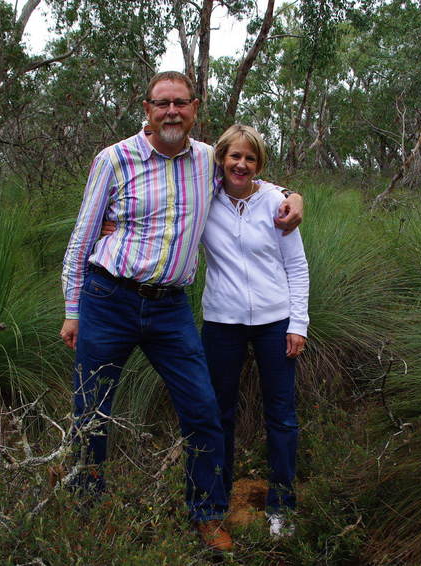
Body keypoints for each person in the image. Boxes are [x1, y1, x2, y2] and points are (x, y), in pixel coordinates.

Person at [59, 71, 303, 552]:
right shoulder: (113, 159)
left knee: (204, 410)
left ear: (195, 108)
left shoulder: (205, 160)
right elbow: (82, 238)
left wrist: (295, 197)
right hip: (109, 299)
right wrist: (73, 310)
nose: (172, 112)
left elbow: (248, 174)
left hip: (170, 309)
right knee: (91, 411)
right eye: (162, 103)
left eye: (181, 103)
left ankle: (209, 515)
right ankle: (85, 508)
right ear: (146, 108)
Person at [200, 125, 308, 538]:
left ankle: (282, 505)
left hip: (274, 323)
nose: (240, 165)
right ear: (221, 160)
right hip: (221, 323)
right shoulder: (205, 200)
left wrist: (297, 324)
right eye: (234, 157)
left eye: (249, 158)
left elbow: (296, 267)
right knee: (217, 414)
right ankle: (216, 499)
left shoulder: (276, 204)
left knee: (280, 416)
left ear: (259, 165)